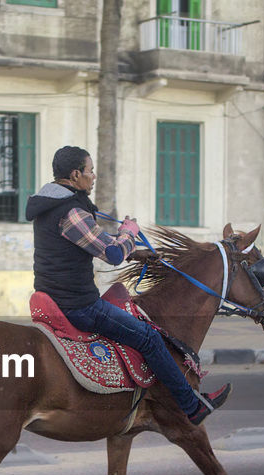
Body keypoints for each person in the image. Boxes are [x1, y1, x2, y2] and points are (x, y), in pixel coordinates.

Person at [25, 145, 231, 425]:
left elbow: (90, 243)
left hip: (54, 297)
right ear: (75, 175)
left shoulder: (51, 206)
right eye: (90, 170)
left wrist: (133, 251)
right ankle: (191, 406)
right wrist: (129, 233)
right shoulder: (71, 211)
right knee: (150, 338)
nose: (94, 176)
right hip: (78, 305)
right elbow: (111, 255)